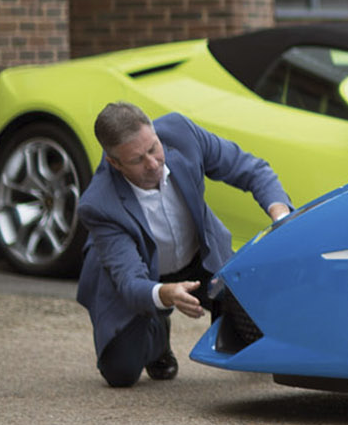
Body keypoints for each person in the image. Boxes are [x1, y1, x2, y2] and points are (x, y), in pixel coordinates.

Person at [74, 103, 292, 388]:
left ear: (154, 131)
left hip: (200, 260)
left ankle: (226, 313)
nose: (152, 163)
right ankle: (157, 330)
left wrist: (281, 214)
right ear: (114, 163)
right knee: (121, 373)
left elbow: (250, 169)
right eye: (138, 160)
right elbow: (129, 281)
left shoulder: (181, 133)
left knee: (258, 340)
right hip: (138, 279)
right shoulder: (98, 204)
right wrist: (164, 294)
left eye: (153, 148)